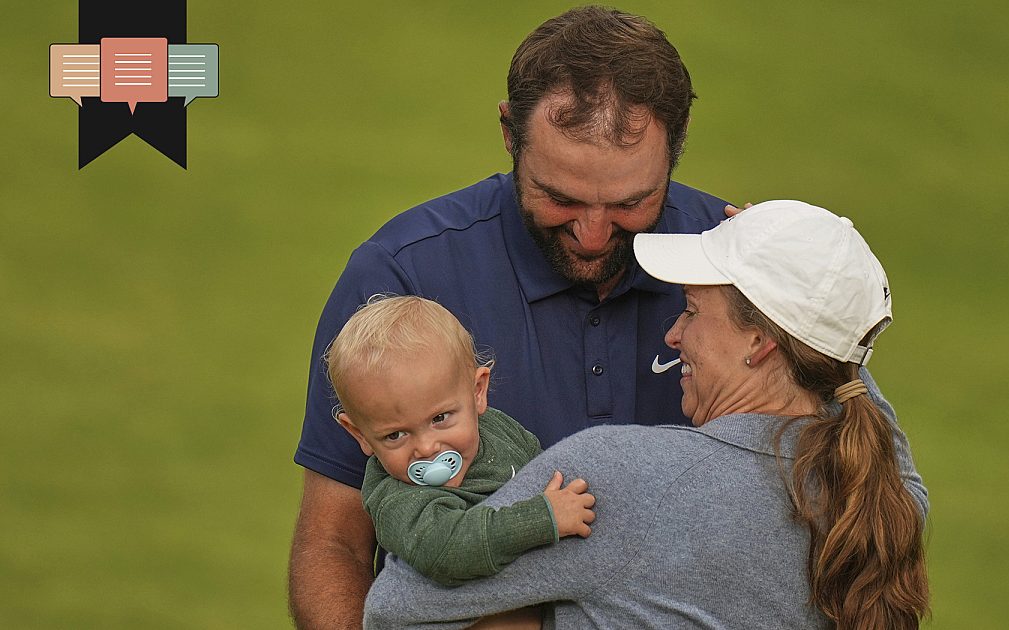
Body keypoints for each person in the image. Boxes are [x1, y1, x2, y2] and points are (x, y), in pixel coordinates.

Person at [288, 7, 917, 629]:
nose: (592, 235)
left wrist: (796, 285)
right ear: (510, 134)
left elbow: (843, 430)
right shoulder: (402, 277)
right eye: (560, 197)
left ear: (678, 143)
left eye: (631, 202)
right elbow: (335, 540)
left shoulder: (725, 273)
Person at [362, 200, 930, 629]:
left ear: (758, 342)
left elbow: (394, 608)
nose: (673, 332)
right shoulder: (882, 493)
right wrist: (821, 304)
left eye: (690, 310)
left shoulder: (613, 478)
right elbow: (844, 381)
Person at [325, 295, 596, 587]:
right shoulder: (398, 498)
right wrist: (542, 518)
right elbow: (446, 551)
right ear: (360, 435)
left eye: (440, 418)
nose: (427, 448)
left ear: (478, 391)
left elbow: (545, 469)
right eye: (395, 435)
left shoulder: (499, 430)